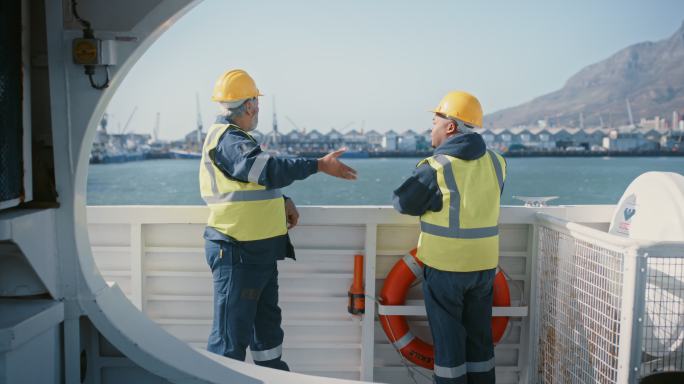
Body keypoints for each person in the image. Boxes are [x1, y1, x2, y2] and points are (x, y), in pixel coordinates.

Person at [200, 69, 357, 370]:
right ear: (249, 106)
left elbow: (249, 182)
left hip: (257, 252)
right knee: (229, 340)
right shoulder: (229, 141)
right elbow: (265, 169)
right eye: (256, 103)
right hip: (238, 252)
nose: (257, 109)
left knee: (267, 332)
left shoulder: (236, 140)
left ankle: (273, 376)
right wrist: (318, 165)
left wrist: (282, 201)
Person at [392, 91, 506, 384]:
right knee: (480, 343)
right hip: (484, 269)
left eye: (434, 122)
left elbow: (403, 204)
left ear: (450, 127)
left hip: (446, 270)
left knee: (449, 347)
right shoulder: (497, 163)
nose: (431, 129)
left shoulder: (437, 167)